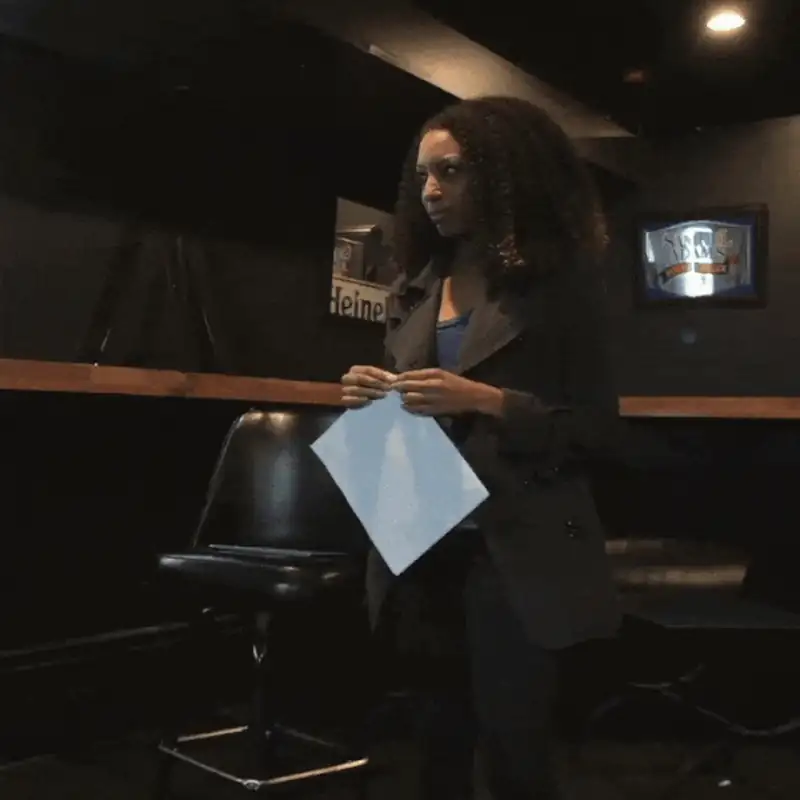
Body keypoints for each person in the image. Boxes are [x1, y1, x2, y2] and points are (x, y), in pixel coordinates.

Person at [340, 96, 620, 800]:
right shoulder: (415, 287)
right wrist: (369, 391)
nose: (430, 190)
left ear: (504, 175)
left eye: (452, 171)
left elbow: (597, 429)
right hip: (424, 530)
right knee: (436, 740)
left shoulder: (562, 285)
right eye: (424, 173)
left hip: (516, 545)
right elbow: (411, 407)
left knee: (514, 746)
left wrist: (489, 401)